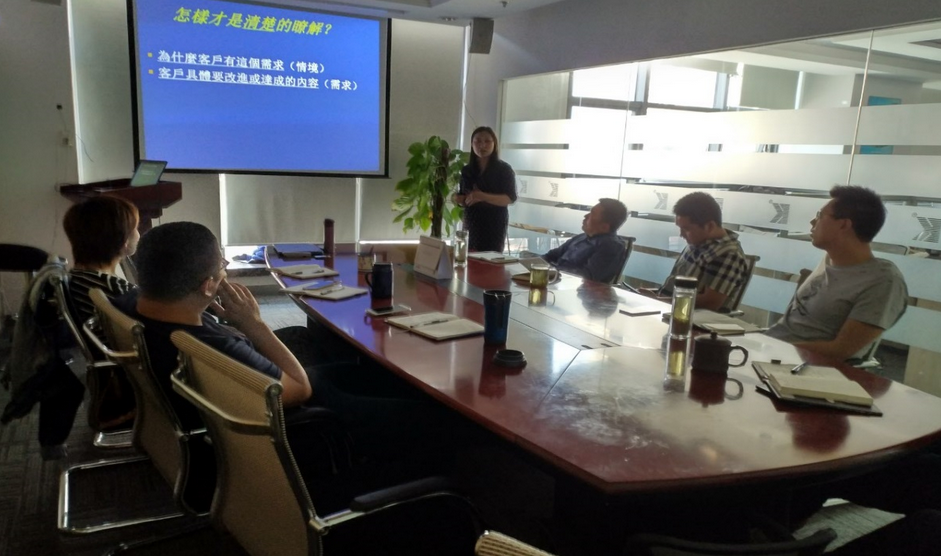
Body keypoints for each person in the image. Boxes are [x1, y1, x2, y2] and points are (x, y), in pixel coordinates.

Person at [766, 186, 907, 361]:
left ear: (844, 224)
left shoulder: (883, 281)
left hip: (801, 366)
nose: (812, 221)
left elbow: (840, 350)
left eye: (820, 215)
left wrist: (772, 347)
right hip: (773, 352)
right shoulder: (830, 259)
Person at [649, 192, 749, 312]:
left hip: (692, 318)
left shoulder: (728, 254)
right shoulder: (697, 243)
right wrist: (653, 297)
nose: (681, 234)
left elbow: (710, 303)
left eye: (686, 229)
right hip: (668, 310)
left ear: (710, 226)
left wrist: (658, 301)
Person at [62, 196, 140, 326]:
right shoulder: (121, 291)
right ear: (124, 240)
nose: (138, 234)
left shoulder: (70, 280)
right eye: (136, 228)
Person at [452, 126, 517, 252]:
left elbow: (509, 198)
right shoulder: (467, 170)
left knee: (490, 257)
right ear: (472, 144)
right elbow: (464, 196)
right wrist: (459, 199)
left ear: (494, 144)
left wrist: (481, 196)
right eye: (477, 141)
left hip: (494, 222)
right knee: (470, 255)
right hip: (471, 221)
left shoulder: (504, 169)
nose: (482, 145)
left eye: (487, 141)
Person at [543, 198, 629, 283]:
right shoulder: (581, 237)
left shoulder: (611, 247)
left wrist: (552, 270)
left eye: (592, 214)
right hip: (554, 280)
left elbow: (587, 277)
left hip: (573, 288)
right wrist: (537, 264)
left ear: (604, 226)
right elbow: (550, 256)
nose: (586, 216)